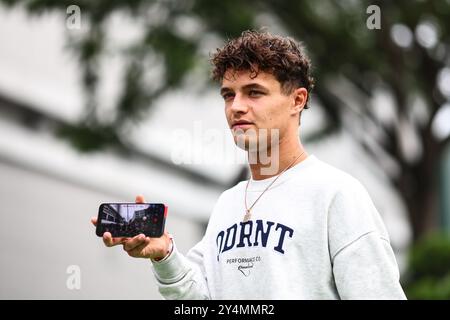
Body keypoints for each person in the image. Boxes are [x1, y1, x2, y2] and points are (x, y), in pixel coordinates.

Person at [91, 30, 406, 300]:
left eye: (254, 92)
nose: (236, 107)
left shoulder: (336, 193)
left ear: (297, 100)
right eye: (228, 95)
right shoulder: (228, 202)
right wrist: (164, 255)